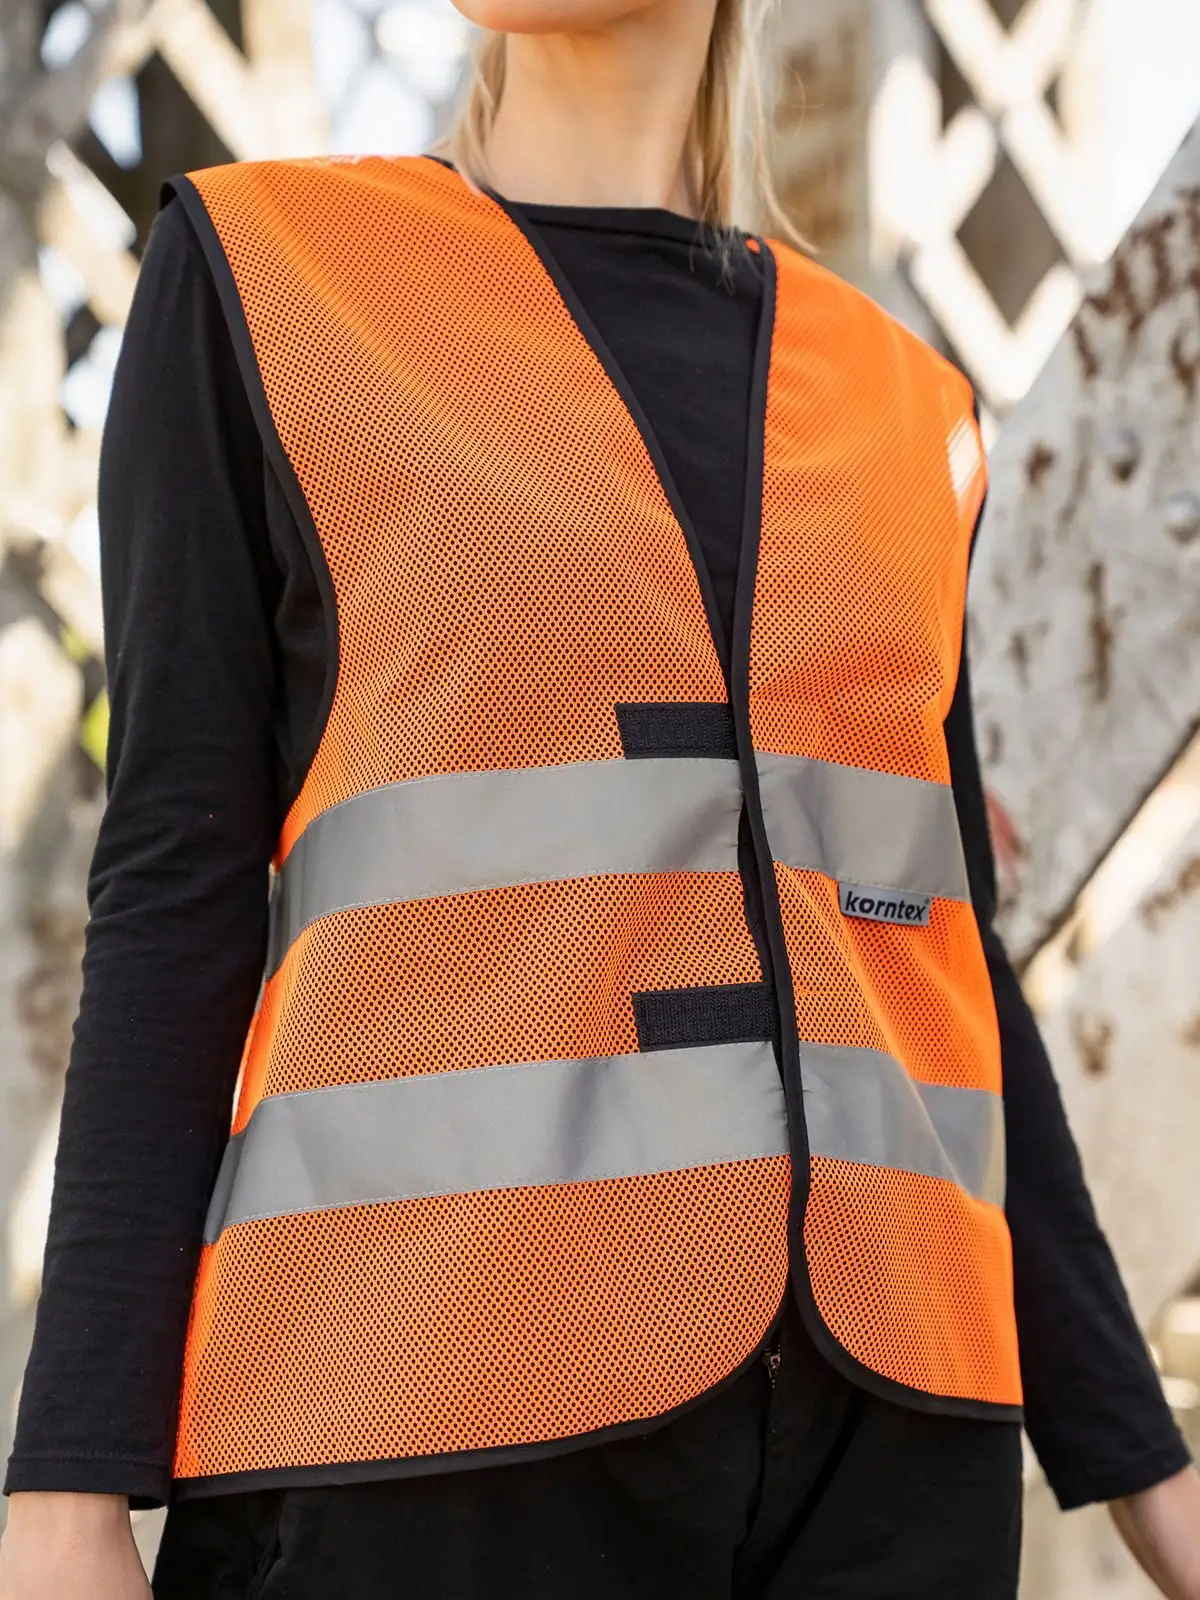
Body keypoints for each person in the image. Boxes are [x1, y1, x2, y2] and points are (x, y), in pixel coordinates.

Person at [1, 2, 1198, 1596]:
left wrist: (1145, 1468)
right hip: (431, 1429)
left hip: (898, 1458)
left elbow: (938, 960)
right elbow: (173, 885)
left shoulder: (908, 405)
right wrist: (66, 1490)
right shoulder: (272, 280)